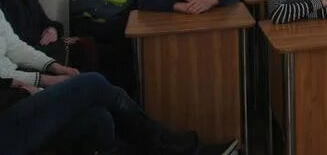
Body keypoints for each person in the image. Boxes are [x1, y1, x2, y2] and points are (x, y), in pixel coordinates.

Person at [0, 67, 236, 155]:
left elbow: (13, 46)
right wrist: (38, 80)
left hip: (15, 96)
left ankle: (165, 145)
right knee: (92, 82)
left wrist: (49, 67)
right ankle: (167, 144)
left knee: (98, 116)